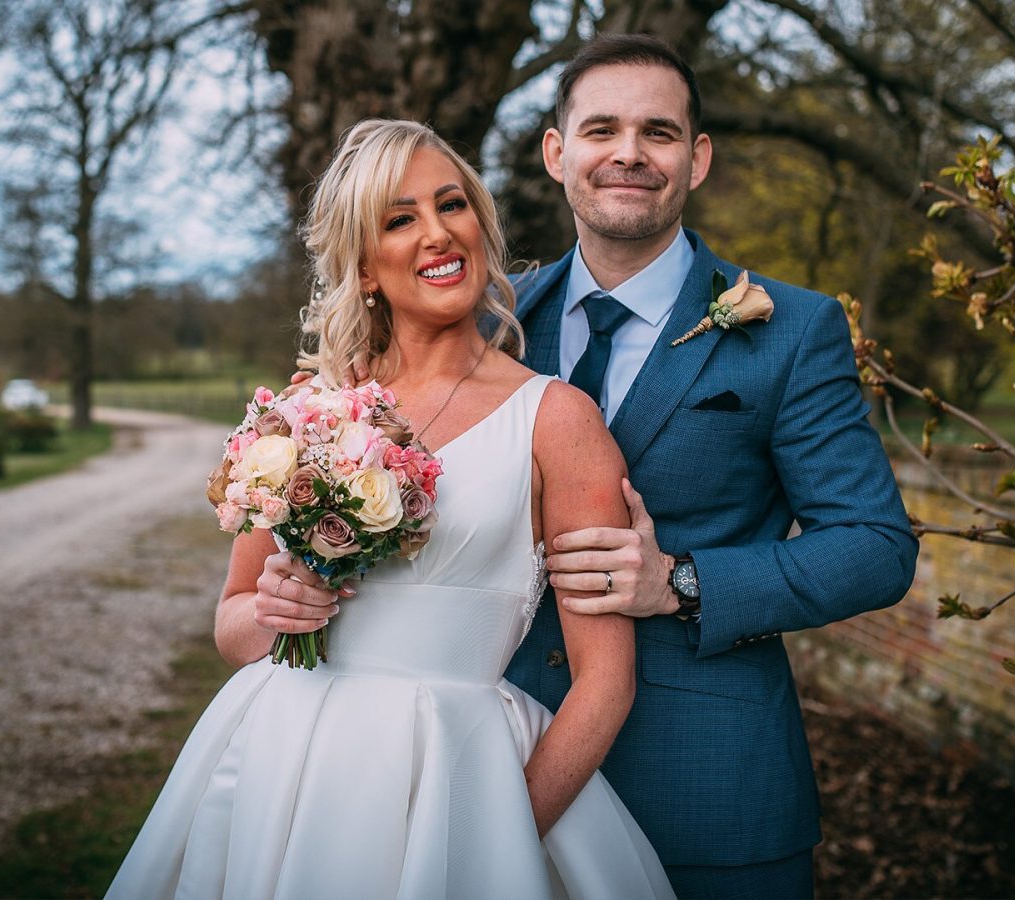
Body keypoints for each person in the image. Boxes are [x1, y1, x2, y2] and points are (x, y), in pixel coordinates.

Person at [105, 119, 675, 899]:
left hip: (458, 768)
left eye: (453, 205)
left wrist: (492, 841)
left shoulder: (557, 419)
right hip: (282, 765)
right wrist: (278, 611)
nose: (437, 235)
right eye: (399, 220)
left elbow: (605, 683)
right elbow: (235, 624)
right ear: (365, 267)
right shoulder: (307, 412)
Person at [501, 34, 920, 899]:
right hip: (505, 771)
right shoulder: (491, 325)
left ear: (696, 161)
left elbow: (876, 544)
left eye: (658, 132)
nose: (628, 154)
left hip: (708, 793)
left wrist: (678, 582)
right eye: (601, 129)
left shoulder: (793, 330)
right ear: (556, 153)